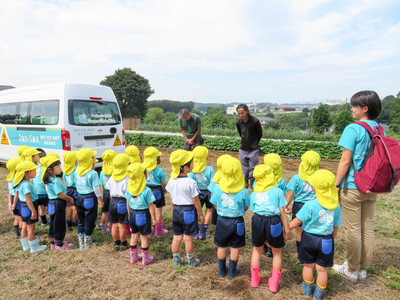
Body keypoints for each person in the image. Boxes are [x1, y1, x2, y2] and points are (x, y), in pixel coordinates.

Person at [333, 90, 382, 283]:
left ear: (365, 109)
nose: (352, 109)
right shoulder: (379, 129)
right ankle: (363, 269)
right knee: (367, 227)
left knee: (353, 230)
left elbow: (345, 162)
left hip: (353, 186)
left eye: (355, 106)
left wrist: (336, 184)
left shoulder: (352, 129)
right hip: (372, 186)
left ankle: (352, 269)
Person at [290, 170, 342, 299]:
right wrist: (331, 239)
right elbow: (335, 227)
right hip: (326, 240)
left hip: (308, 239)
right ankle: (318, 294)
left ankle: (308, 289)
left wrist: (286, 228)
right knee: (322, 268)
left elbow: (297, 221)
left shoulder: (310, 205)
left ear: (314, 187)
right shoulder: (336, 206)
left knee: (308, 265)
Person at [249, 164, 291, 292]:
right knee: (277, 252)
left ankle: (254, 280)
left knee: (257, 250)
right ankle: (273, 284)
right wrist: (287, 230)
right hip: (274, 222)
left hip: (257, 221)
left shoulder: (254, 193)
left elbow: (252, 209)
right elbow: (282, 213)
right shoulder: (277, 191)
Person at [210, 157, 250, 279]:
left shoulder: (217, 189)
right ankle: (232, 271)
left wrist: (222, 211)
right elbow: (246, 207)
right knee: (235, 247)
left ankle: (222, 271)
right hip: (237, 222)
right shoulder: (243, 191)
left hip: (222, 221)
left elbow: (215, 204)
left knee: (221, 246)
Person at [166, 149, 204, 267]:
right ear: (186, 168)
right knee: (188, 238)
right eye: (191, 163)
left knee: (177, 236)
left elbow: (170, 195)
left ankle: (176, 260)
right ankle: (191, 260)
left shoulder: (171, 180)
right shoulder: (191, 182)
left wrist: (173, 207)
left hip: (177, 210)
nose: (193, 164)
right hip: (188, 211)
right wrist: (200, 213)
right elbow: (195, 200)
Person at [285, 150, 320, 255]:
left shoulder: (296, 178)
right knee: (312, 229)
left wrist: (284, 206)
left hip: (299, 207)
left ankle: (301, 254)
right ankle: (312, 251)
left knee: (299, 231)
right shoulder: (319, 178)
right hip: (315, 206)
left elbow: (290, 195)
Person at [126, 163, 157, 266]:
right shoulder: (147, 190)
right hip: (143, 214)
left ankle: (133, 258)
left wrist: (129, 213)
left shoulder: (129, 188)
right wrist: (154, 218)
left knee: (134, 235)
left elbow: (127, 201)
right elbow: (151, 205)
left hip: (133, 213)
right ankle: (145, 259)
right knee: (144, 237)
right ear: (144, 176)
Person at [41, 156, 74, 250]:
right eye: (58, 167)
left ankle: (52, 242)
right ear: (50, 170)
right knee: (59, 223)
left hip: (51, 202)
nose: (60, 168)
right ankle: (59, 244)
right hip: (57, 203)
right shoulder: (55, 181)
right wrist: (69, 198)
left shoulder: (47, 180)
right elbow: (60, 195)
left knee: (53, 222)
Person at [14, 161, 47, 253]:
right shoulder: (26, 184)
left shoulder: (23, 182)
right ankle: (34, 247)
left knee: (24, 226)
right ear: (26, 173)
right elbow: (28, 199)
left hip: (23, 207)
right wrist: (33, 211)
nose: (36, 172)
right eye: (34, 170)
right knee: (31, 228)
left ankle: (25, 246)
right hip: (29, 206)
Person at [75, 148, 104, 250]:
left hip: (79, 197)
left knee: (81, 220)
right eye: (93, 156)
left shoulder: (76, 171)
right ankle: (87, 243)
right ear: (89, 159)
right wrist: (100, 200)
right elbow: (96, 188)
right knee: (89, 220)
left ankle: (81, 244)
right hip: (89, 198)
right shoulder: (93, 173)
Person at [262, 153, 289, 257]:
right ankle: (270, 248)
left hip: (263, 209)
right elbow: (283, 195)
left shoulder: (262, 178)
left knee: (264, 229)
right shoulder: (281, 181)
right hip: (276, 211)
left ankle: (264, 245)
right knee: (274, 230)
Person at [189, 146, 215, 239]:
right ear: (206, 157)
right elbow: (213, 182)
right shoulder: (210, 169)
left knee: (196, 211)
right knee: (209, 210)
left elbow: (191, 183)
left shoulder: (192, 170)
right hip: (208, 192)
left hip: (196, 193)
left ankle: (195, 233)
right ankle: (203, 233)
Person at [106, 153, 130, 251]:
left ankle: (116, 244)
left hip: (113, 202)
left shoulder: (112, 177)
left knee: (114, 225)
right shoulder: (127, 178)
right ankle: (123, 243)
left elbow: (108, 189)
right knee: (122, 225)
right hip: (122, 202)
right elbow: (128, 193)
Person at [235, 104, 263, 189]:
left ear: (247, 111)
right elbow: (241, 134)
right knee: (244, 167)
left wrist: (254, 143)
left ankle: (251, 183)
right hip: (243, 148)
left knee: (253, 167)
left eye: (242, 113)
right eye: (239, 113)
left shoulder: (255, 121)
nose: (240, 115)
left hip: (253, 148)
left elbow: (259, 134)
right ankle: (245, 183)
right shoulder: (238, 122)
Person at [143, 147, 168, 236]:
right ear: (156, 159)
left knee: (148, 210)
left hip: (146, 190)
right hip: (158, 191)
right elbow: (163, 183)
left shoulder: (143, 169)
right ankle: (158, 230)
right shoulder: (159, 170)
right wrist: (164, 189)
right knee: (158, 210)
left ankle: (149, 230)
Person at [100, 150, 117, 234]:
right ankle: (112, 227)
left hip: (105, 193)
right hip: (113, 193)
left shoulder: (102, 172)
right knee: (113, 211)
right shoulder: (115, 172)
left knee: (105, 212)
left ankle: (103, 228)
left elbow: (102, 186)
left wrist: (103, 197)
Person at [6, 157, 23, 239]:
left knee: (16, 216)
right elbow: (17, 193)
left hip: (12, 199)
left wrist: (10, 203)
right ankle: (22, 233)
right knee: (21, 218)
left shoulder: (9, 177)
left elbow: (10, 191)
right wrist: (15, 204)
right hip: (18, 199)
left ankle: (17, 234)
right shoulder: (17, 178)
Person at [63, 151, 78, 230]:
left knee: (70, 207)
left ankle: (69, 223)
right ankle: (75, 222)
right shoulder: (75, 171)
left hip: (68, 189)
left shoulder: (65, 170)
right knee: (75, 207)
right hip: (75, 190)